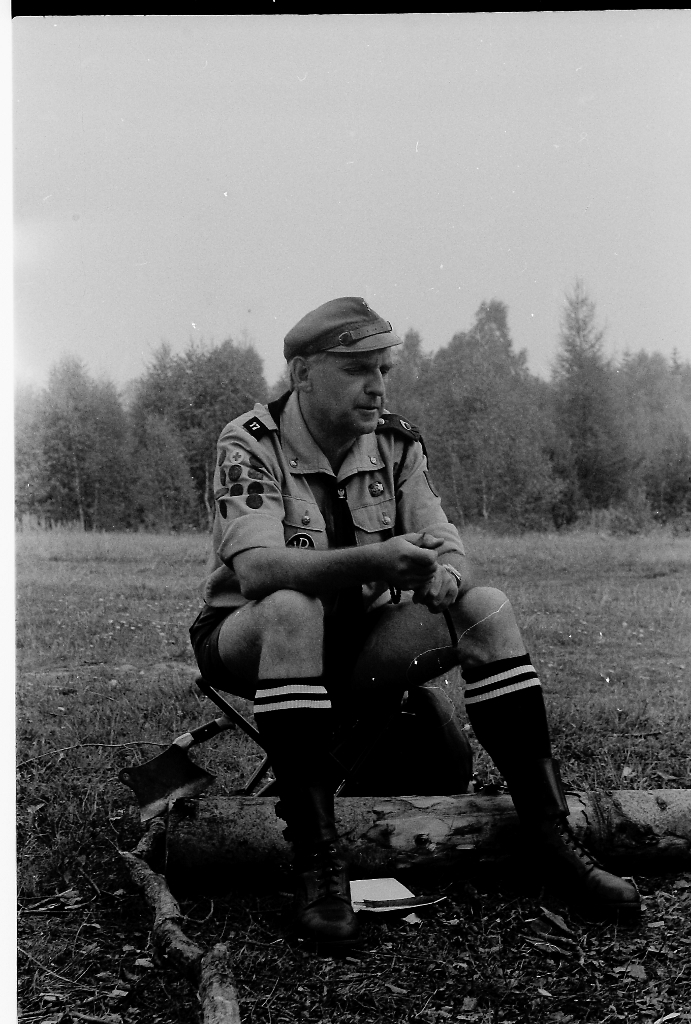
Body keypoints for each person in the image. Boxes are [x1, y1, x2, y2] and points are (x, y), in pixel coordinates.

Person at [189, 296, 640, 948]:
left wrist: (447, 572)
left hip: (360, 640)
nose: (376, 386)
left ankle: (551, 837)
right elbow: (257, 571)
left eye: (384, 369)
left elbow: (444, 539)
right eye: (357, 370)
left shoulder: (396, 443)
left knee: (486, 606)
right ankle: (319, 866)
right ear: (303, 373)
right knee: (292, 606)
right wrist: (378, 559)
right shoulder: (249, 442)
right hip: (250, 636)